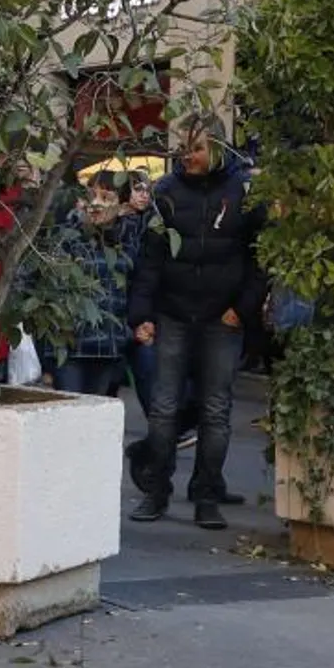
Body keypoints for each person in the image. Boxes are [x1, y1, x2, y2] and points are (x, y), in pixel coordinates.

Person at [127, 116, 266, 531]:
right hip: (173, 314)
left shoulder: (242, 194)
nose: (188, 154)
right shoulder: (165, 193)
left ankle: (207, 493)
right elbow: (149, 260)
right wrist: (142, 316)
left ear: (218, 149)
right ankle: (157, 490)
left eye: (198, 147)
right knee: (163, 409)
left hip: (222, 318)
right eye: (184, 147)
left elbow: (260, 258)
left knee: (216, 411)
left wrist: (241, 308)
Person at [52, 172, 139, 396]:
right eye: (90, 195)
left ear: (121, 204)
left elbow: (137, 284)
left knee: (97, 414)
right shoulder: (67, 235)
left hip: (108, 345)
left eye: (106, 197)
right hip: (71, 344)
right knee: (70, 411)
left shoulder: (130, 237)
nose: (96, 203)